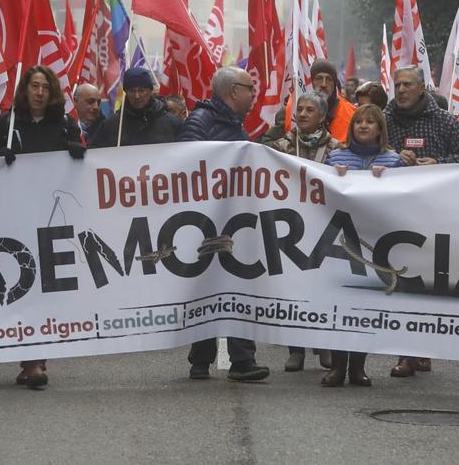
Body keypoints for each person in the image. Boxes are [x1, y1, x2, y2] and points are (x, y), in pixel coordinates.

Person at [0, 65, 86, 389]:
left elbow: (79, 171)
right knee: (23, 286)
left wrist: (76, 152)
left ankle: (36, 360)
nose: (40, 92)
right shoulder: (8, 123)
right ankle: (30, 360)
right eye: (34, 86)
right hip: (15, 216)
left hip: (51, 219)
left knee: (47, 289)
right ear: (25, 89)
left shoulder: (65, 124)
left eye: (46, 87)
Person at [380, 66, 459, 377]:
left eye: (407, 84)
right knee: (404, 282)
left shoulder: (444, 121)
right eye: (397, 85)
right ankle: (406, 353)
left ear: (421, 88)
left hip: (437, 215)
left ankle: (423, 348)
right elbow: (368, 153)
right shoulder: (384, 119)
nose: (401, 90)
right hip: (396, 216)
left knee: (430, 285)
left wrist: (438, 164)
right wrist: (393, 157)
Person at [180, 66, 270, 382]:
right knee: (209, 287)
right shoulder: (201, 122)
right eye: (250, 87)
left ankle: (242, 361)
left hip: (234, 220)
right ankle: (202, 360)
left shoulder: (234, 125)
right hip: (207, 221)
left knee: (237, 286)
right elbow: (187, 167)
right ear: (233, 91)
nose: (254, 93)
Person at [321, 104, 405, 387]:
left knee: (365, 306)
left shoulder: (393, 161)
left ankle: (358, 366)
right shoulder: (336, 156)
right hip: (340, 238)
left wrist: (389, 182)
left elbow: (407, 199)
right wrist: (333, 175)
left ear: (380, 129)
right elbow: (319, 193)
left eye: (371, 122)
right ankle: (337, 366)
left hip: (374, 242)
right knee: (339, 303)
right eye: (359, 122)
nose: (364, 126)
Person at [266, 91, 340, 373]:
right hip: (289, 227)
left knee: (322, 288)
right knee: (292, 288)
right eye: (300, 109)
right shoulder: (279, 147)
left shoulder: (337, 149)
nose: (304, 114)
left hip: (323, 228)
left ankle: (322, 344)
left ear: (322, 116)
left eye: (311, 110)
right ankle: (295, 349)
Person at [263, 59, 356, 143]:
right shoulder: (290, 109)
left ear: (335, 84)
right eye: (318, 78)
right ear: (310, 82)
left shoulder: (351, 114)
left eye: (329, 79)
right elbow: (267, 143)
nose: (324, 84)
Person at [89, 67, 181, 148]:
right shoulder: (111, 125)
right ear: (126, 93)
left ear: (150, 91)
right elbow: (94, 154)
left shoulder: (171, 123)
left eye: (142, 90)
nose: (137, 96)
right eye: (132, 91)